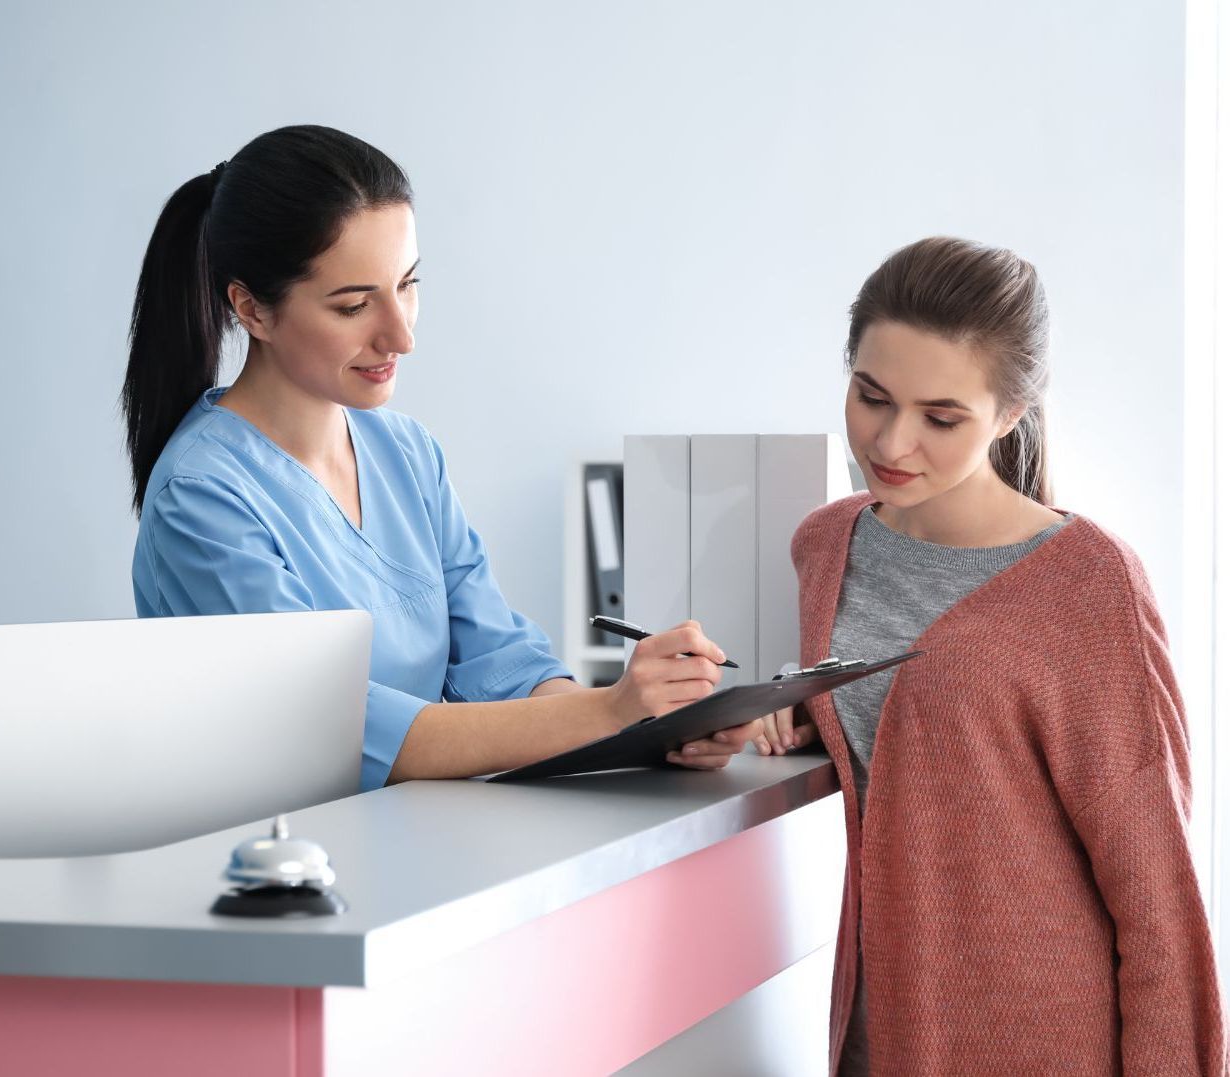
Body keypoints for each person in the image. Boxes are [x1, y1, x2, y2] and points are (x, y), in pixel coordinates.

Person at [122, 125, 758, 789]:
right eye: (353, 304)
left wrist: (656, 725)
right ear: (251, 309)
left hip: (416, 849)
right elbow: (344, 732)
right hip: (280, 872)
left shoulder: (407, 454)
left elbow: (502, 664)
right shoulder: (200, 496)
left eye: (408, 284)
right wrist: (610, 709)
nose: (401, 334)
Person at [761, 237, 1225, 1073]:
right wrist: (791, 710)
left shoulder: (1088, 584)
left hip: (1041, 1044)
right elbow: (921, 747)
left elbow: (1160, 898)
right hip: (873, 1035)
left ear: (1011, 413)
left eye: (942, 418)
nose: (893, 441)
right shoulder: (823, 546)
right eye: (871, 396)